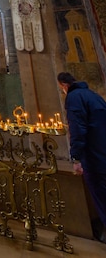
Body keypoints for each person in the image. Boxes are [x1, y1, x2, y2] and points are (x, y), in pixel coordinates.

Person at [57, 71, 106, 243]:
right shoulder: (93, 95)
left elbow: (78, 128)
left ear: (64, 85)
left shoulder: (74, 98)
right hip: (102, 150)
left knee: (101, 194)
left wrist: (76, 158)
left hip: (93, 155)